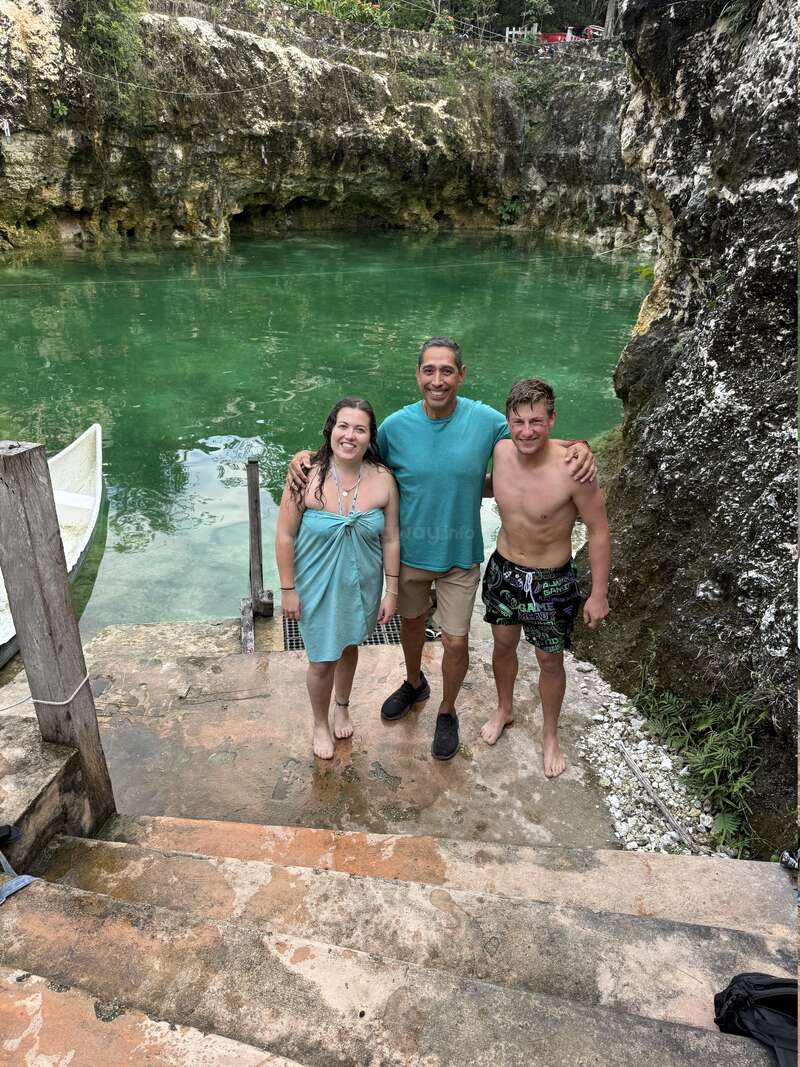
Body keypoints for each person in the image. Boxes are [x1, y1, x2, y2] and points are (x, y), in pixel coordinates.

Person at [288, 338, 595, 762]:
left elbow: (534, 438)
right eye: (429, 370)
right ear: (417, 375)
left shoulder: (486, 422)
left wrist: (579, 446)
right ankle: (414, 682)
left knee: (455, 641)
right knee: (411, 627)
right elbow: (350, 454)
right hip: (410, 555)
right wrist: (305, 456)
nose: (438, 380)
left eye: (447, 371)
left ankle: (447, 710)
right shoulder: (394, 427)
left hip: (459, 557)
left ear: (461, 375)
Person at [480, 377, 610, 778]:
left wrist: (598, 594)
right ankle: (504, 709)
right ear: (508, 422)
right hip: (503, 569)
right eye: (518, 421)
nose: (527, 431)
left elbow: (600, 529)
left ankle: (550, 734)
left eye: (537, 420)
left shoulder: (573, 468)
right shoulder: (500, 452)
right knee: (502, 645)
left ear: (552, 419)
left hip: (551, 579)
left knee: (549, 659)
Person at [276, 398, 400, 760]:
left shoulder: (383, 480)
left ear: (369, 437)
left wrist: (391, 591)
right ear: (330, 429)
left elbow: (391, 537)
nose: (350, 435)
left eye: (360, 429)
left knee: (348, 646)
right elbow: (284, 535)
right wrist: (288, 589)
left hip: (362, 582)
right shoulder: (305, 475)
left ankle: (342, 705)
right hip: (315, 582)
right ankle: (319, 722)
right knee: (321, 659)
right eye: (343, 426)